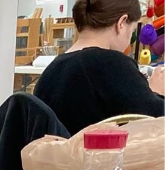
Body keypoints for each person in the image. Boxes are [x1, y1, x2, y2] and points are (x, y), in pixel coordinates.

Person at [34, 0, 164, 134]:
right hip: (97, 154)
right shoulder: (113, 64)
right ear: (121, 23)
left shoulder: (50, 72)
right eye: (132, 32)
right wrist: (157, 92)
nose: (129, 40)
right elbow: (155, 123)